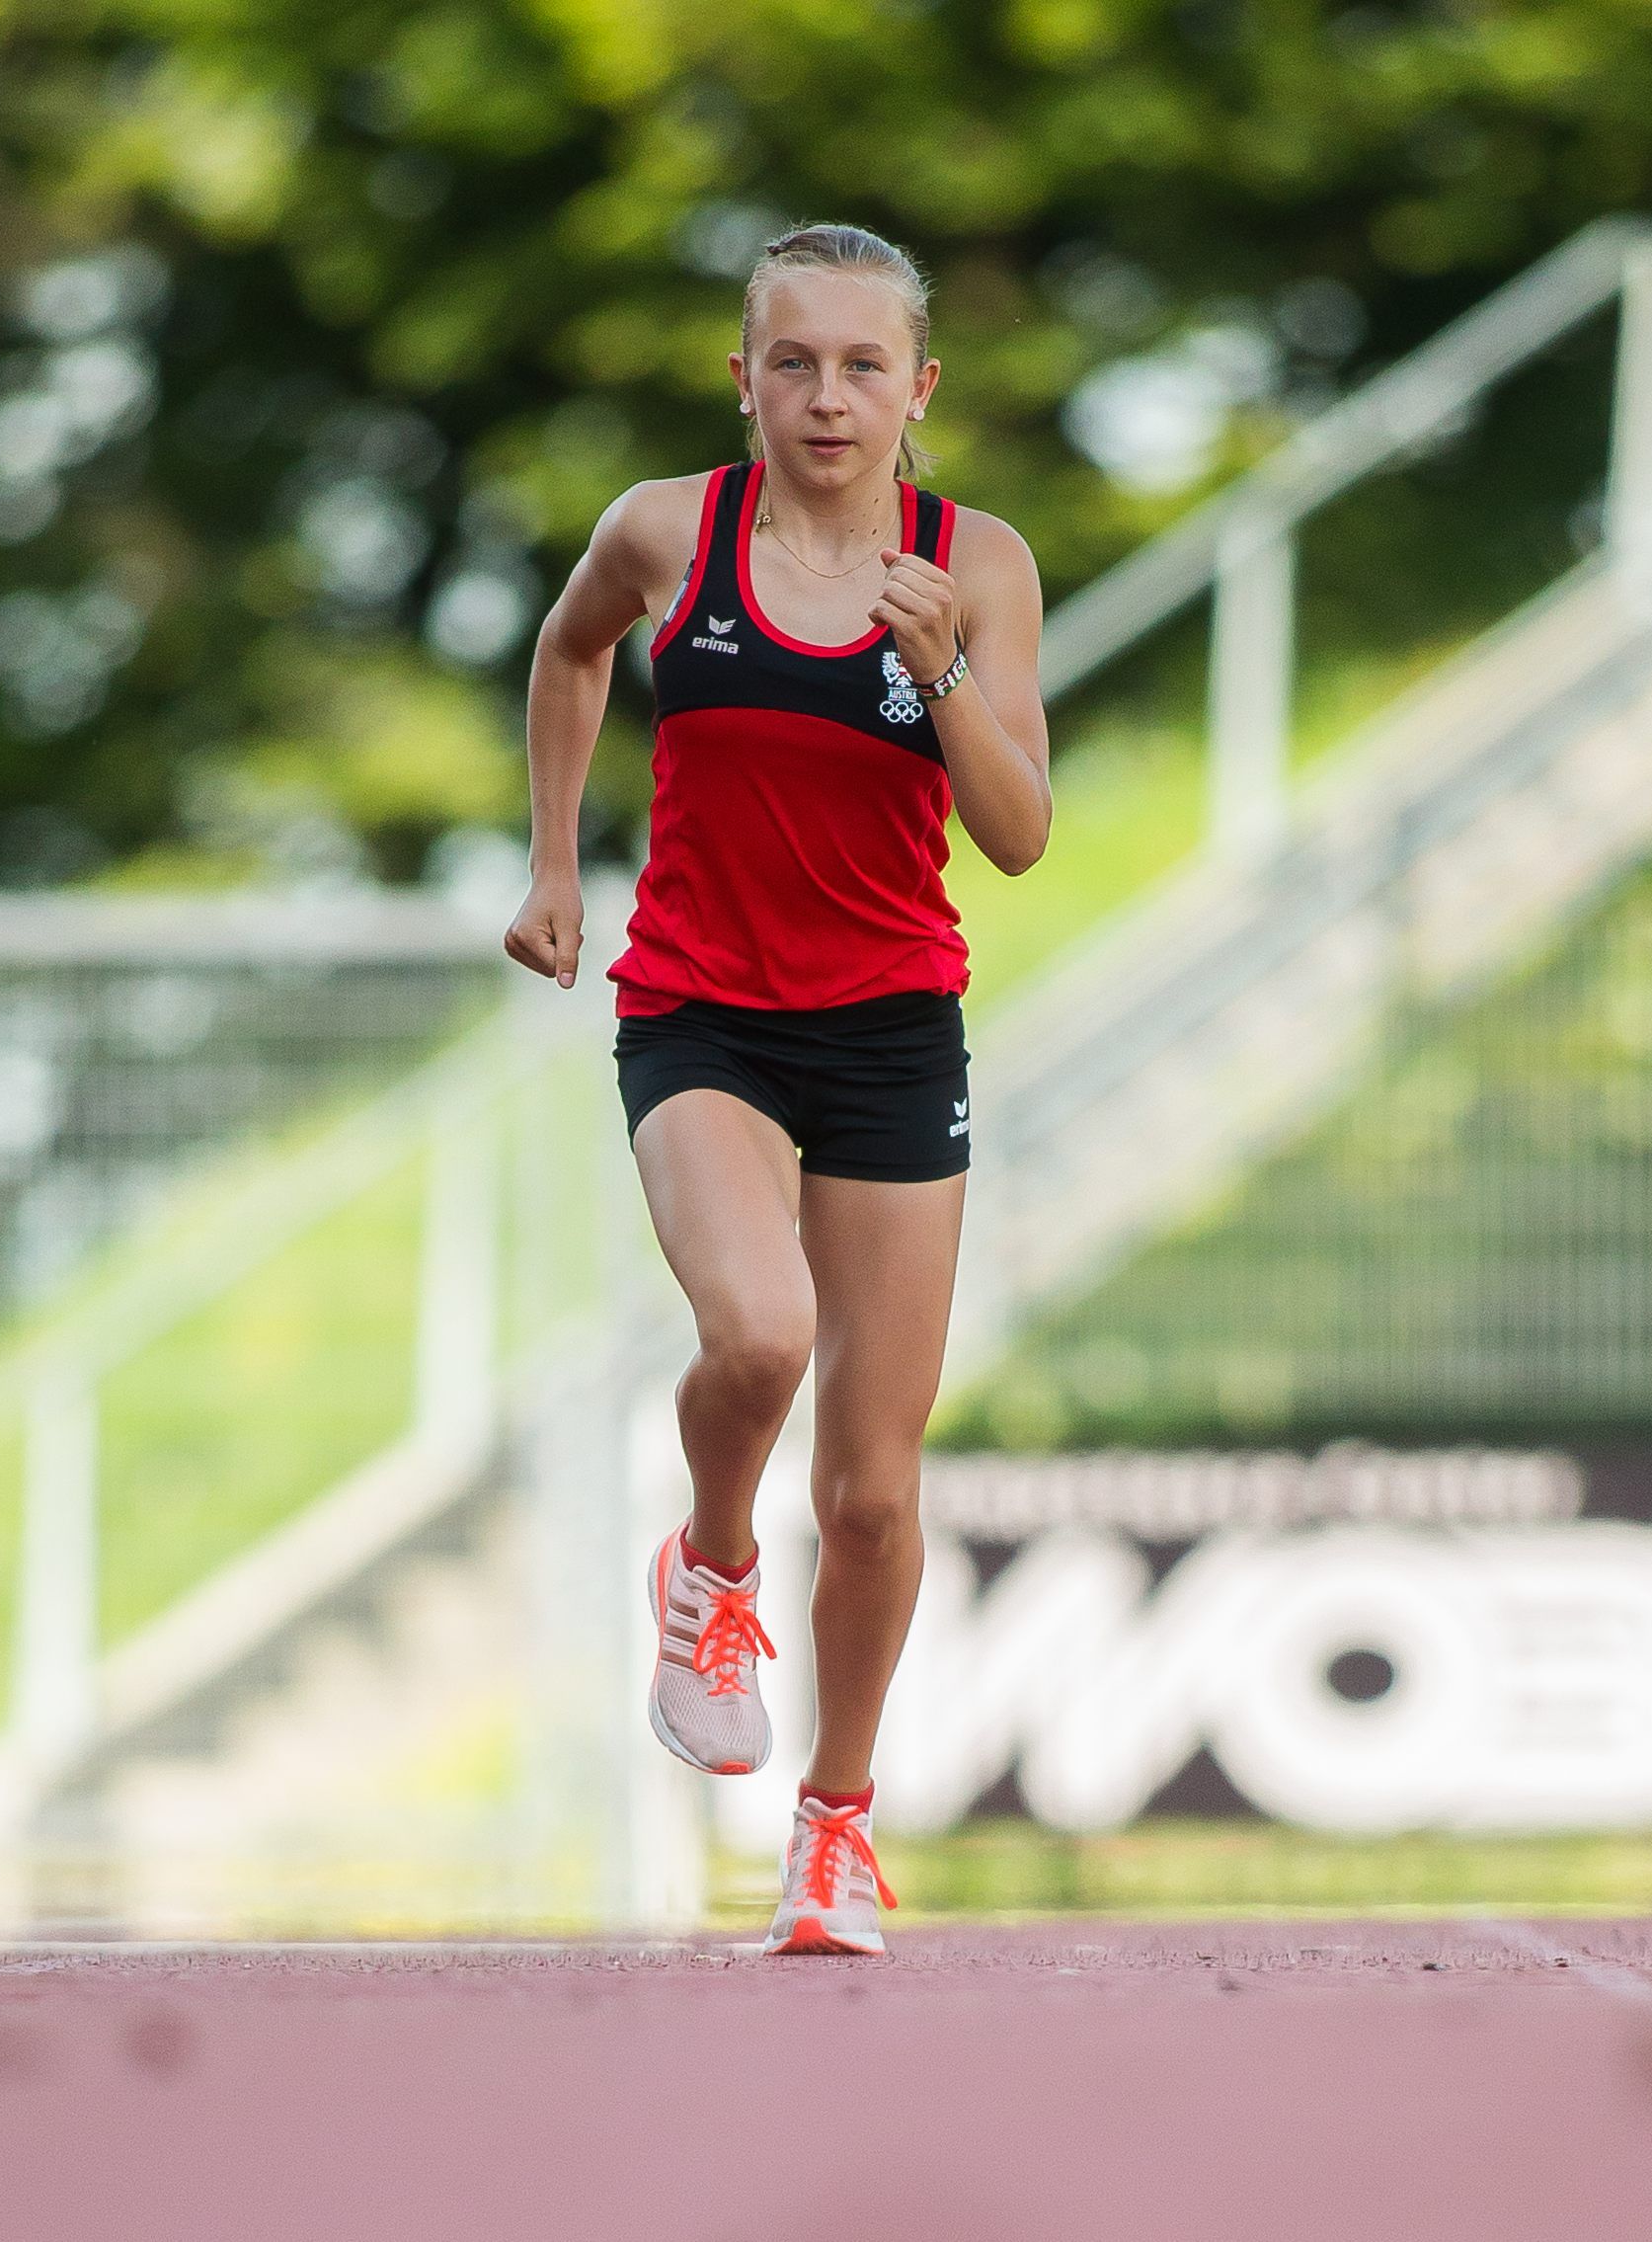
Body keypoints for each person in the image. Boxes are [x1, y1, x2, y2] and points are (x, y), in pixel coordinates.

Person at [505, 222, 1050, 1956]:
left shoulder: (979, 562)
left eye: (862, 364)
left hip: (891, 1024)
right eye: (792, 361)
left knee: (876, 1490)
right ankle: (713, 1567)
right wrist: (552, 867)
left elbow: (1019, 835)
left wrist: (945, 663)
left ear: (917, 388)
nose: (827, 396)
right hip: (701, 1014)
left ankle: (833, 1825)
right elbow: (571, 652)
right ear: (740, 375)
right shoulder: (670, 532)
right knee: (757, 1334)